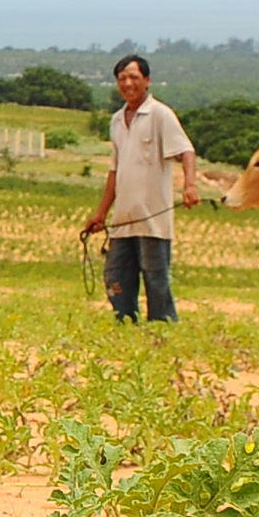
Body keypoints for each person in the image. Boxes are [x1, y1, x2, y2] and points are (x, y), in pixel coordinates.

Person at [82, 53, 200, 323]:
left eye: (134, 77)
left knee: (156, 280)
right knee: (115, 277)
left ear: (147, 81)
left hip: (153, 219)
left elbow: (186, 151)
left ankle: (162, 329)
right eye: (121, 78)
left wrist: (190, 186)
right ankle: (124, 323)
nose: (127, 83)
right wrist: (101, 213)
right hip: (123, 219)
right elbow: (115, 171)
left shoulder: (160, 114)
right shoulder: (116, 120)